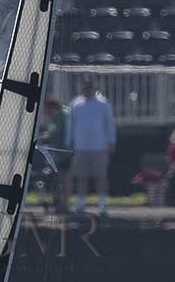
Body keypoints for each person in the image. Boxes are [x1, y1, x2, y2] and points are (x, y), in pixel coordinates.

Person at [66, 80, 116, 215]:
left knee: (101, 177)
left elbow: (110, 124)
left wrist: (111, 142)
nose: (87, 90)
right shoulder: (76, 104)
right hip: (81, 146)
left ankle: (102, 205)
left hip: (99, 147)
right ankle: (81, 204)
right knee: (81, 177)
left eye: (90, 88)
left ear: (94, 89)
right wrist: (69, 141)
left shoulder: (103, 104)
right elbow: (71, 124)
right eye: (85, 88)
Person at [35, 94, 68, 211]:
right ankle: (53, 203)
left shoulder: (64, 116)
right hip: (54, 156)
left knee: (62, 180)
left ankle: (62, 204)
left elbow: (58, 134)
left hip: (64, 155)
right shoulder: (52, 119)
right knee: (50, 180)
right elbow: (50, 133)